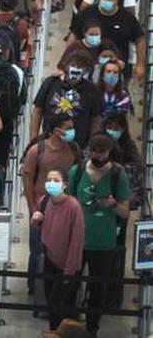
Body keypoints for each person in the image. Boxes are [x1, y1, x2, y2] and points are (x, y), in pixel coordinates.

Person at [66, 133, 128, 334]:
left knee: (98, 289)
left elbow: (125, 211)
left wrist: (113, 205)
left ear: (109, 152)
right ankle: (68, 325)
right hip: (77, 241)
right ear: (89, 150)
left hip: (103, 243)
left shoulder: (119, 175)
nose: (98, 156)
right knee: (70, 286)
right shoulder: (77, 172)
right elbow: (68, 202)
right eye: (95, 151)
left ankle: (92, 328)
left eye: (103, 152)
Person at [32, 169, 85, 331]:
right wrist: (35, 219)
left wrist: (69, 271)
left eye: (56, 180)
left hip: (68, 266)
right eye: (49, 180)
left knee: (59, 304)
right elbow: (36, 224)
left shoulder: (73, 207)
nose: (52, 183)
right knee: (51, 303)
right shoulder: (45, 200)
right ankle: (55, 332)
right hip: (50, 260)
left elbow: (77, 241)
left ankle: (57, 333)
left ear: (65, 184)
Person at [30, 53, 101, 148]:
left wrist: (91, 146)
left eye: (80, 66)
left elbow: (96, 119)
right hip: (49, 144)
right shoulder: (51, 83)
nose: (76, 69)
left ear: (86, 70)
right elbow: (37, 112)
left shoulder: (91, 90)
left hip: (78, 147)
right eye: (73, 65)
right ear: (66, 66)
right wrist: (33, 141)